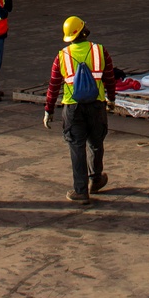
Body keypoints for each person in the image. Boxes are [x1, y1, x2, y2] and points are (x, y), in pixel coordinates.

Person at [43, 15, 115, 205]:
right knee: (96, 143)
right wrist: (112, 99)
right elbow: (109, 78)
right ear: (85, 31)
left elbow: (53, 86)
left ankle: (81, 191)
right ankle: (96, 179)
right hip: (96, 106)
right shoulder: (99, 51)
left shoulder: (62, 56)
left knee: (76, 147)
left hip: (72, 108)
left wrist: (48, 110)